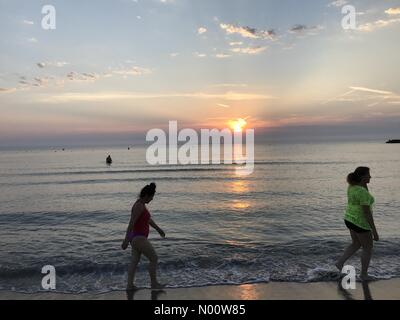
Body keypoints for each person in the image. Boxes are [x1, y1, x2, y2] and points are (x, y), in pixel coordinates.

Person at [336, 167, 379, 281]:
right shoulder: (362, 192)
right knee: (367, 248)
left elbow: (365, 192)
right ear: (362, 177)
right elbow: (367, 212)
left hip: (349, 219)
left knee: (356, 244)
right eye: (368, 175)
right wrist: (374, 231)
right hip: (360, 222)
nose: (370, 177)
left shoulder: (352, 186)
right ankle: (363, 274)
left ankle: (340, 263)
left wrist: (365, 183)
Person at [121, 183, 166, 290]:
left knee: (134, 261)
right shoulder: (139, 206)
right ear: (146, 195)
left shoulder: (141, 205)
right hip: (138, 238)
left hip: (136, 238)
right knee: (154, 258)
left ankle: (130, 286)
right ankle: (154, 283)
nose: (151, 200)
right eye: (151, 197)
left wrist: (158, 229)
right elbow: (131, 223)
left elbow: (148, 220)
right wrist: (126, 240)